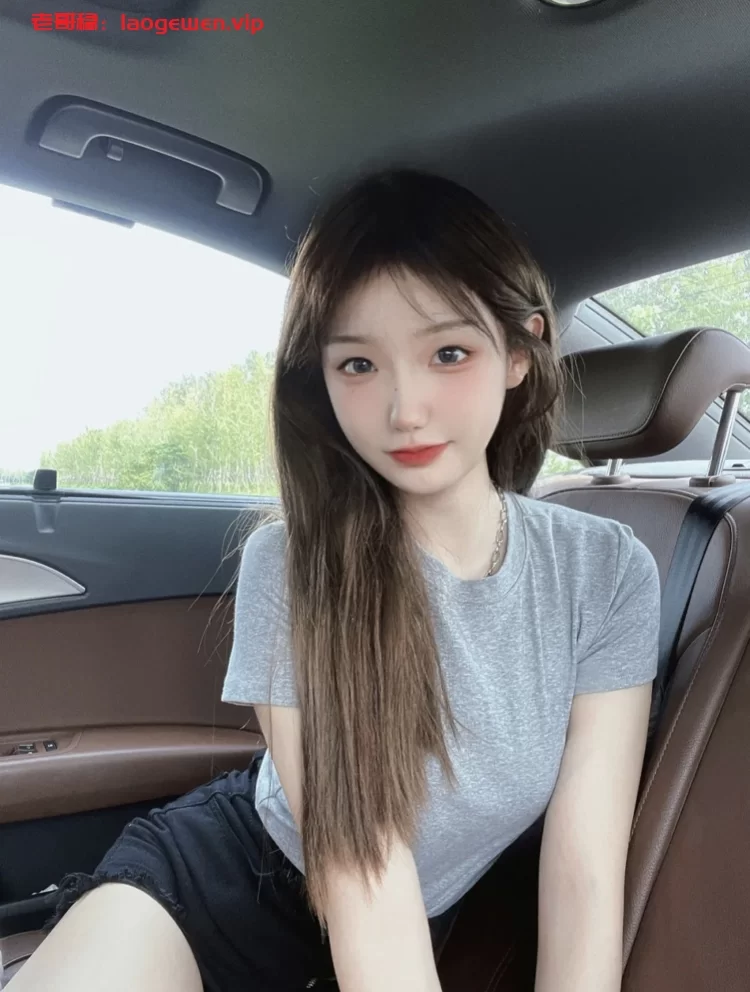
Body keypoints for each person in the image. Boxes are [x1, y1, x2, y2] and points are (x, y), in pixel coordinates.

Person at [8, 168, 661, 992]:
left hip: (419, 922)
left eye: (448, 353)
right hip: (226, 885)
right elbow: (364, 875)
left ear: (520, 353)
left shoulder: (606, 572)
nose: (404, 409)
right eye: (358, 364)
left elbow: (584, 875)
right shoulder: (293, 561)